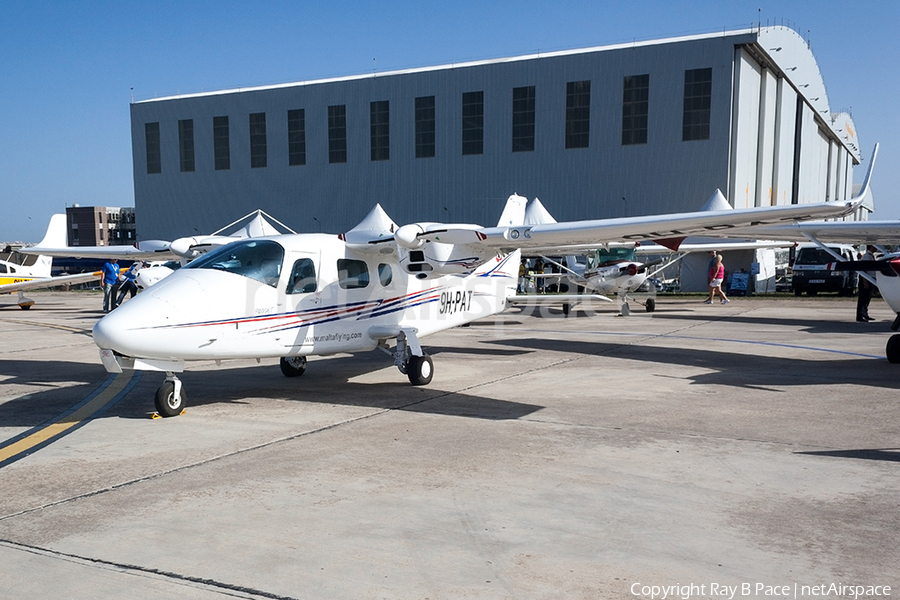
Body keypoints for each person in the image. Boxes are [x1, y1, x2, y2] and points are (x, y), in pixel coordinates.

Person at [856, 245, 878, 322]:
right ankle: (860, 315)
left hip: (870, 279)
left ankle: (865, 313)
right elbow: (864, 269)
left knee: (867, 298)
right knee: (863, 298)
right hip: (867, 279)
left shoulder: (870, 256)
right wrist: (865, 281)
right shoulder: (867, 256)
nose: (876, 248)